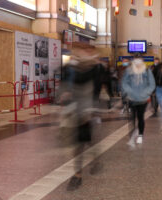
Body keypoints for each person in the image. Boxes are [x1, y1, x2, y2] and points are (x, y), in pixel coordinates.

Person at [59, 47, 102, 191]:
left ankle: (77, 175)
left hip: (86, 110)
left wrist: (89, 111)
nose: (77, 54)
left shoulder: (93, 69)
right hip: (71, 110)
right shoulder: (69, 68)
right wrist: (63, 95)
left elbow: (93, 91)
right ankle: (93, 162)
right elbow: (63, 85)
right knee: (79, 141)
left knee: (82, 142)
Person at [122, 58, 155, 145]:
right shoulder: (129, 70)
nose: (137, 64)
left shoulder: (147, 71)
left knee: (140, 117)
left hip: (143, 99)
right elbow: (124, 83)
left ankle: (140, 135)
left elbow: (152, 84)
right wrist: (129, 91)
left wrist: (145, 93)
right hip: (132, 98)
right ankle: (133, 134)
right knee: (132, 117)